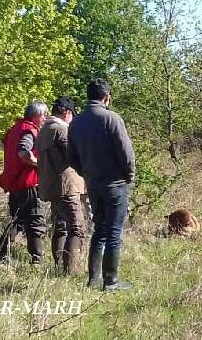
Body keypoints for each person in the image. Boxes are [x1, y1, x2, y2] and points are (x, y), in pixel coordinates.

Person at [69, 79, 135, 291]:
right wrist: (129, 175)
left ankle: (93, 280)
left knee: (99, 230)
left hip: (93, 183)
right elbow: (126, 153)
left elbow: (71, 157)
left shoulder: (76, 122)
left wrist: (86, 174)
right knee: (114, 232)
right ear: (106, 97)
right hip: (115, 183)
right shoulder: (112, 119)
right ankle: (111, 281)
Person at [36, 96, 86, 275]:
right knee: (77, 228)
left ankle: (59, 267)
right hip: (67, 186)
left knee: (61, 227)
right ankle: (71, 272)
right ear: (66, 113)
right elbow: (72, 155)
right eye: (72, 114)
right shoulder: (60, 129)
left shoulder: (44, 129)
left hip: (52, 186)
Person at [0, 100, 48, 264]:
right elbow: (24, 152)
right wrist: (40, 164)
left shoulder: (14, 129)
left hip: (15, 182)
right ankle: (37, 260)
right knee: (35, 220)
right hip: (27, 183)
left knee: (17, 220)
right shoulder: (28, 130)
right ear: (36, 116)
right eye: (44, 115)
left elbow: (5, 147)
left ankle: (1, 255)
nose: (46, 118)